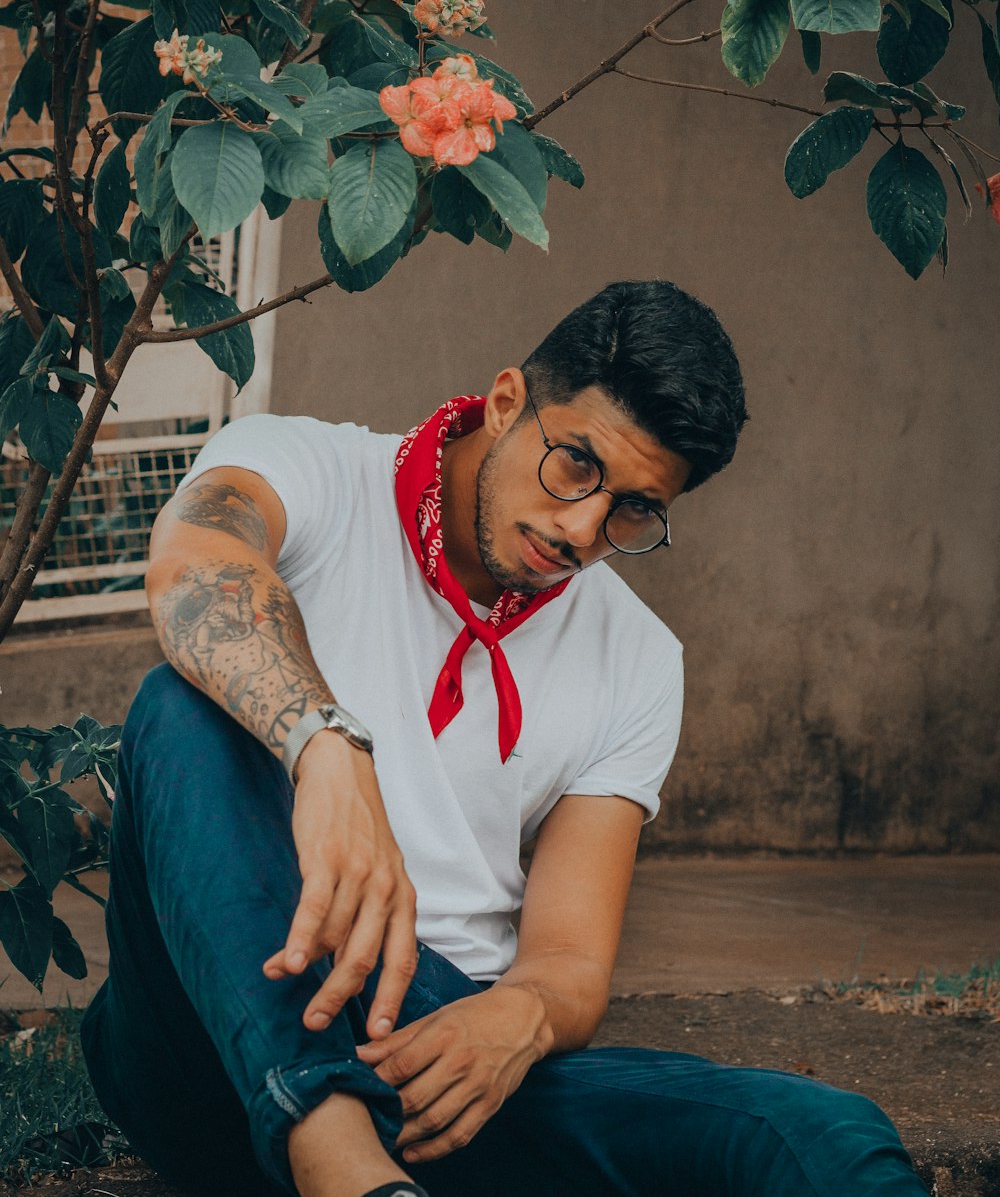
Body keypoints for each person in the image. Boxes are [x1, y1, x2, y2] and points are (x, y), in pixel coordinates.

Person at [81, 280, 926, 1197]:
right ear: (508, 400)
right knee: (181, 703)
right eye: (575, 468)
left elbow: (568, 956)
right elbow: (193, 568)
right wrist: (325, 748)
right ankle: (343, 1169)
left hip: (434, 1057)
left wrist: (514, 1019)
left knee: (824, 1137)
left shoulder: (638, 658)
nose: (582, 529)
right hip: (218, 1022)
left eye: (634, 511)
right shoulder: (307, 467)